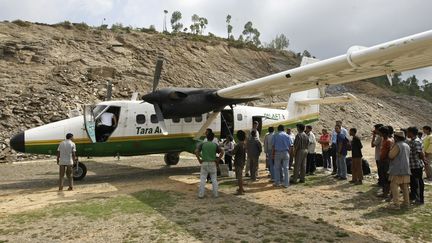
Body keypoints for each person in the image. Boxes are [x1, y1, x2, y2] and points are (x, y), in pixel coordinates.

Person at [195, 132, 224, 199]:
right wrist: (218, 160)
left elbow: (196, 151)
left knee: (202, 179)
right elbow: (222, 152)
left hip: (204, 162)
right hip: (212, 163)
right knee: (214, 179)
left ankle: (201, 195)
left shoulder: (202, 144)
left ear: (207, 137)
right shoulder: (215, 145)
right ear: (213, 138)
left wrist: (199, 159)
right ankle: (215, 194)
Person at [388, 130, 411, 208]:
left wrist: (391, 148)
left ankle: (396, 204)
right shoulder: (406, 145)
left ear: (397, 138)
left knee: (394, 185)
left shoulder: (397, 145)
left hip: (397, 169)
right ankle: (406, 203)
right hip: (406, 168)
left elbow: (391, 155)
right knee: (404, 187)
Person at [406, 127, 425, 204]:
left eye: (408, 132)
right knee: (413, 183)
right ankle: (414, 197)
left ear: (411, 133)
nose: (407, 134)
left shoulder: (416, 142)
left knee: (418, 183)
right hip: (412, 165)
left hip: (416, 166)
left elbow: (420, 154)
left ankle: (420, 199)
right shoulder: (412, 141)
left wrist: (423, 160)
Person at [378, 126, 393, 198]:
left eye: (380, 132)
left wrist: (383, 159)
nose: (379, 133)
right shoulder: (383, 140)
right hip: (382, 161)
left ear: (384, 133)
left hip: (386, 162)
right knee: (383, 177)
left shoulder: (388, 141)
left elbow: (388, 153)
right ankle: (385, 191)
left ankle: (387, 193)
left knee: (386, 177)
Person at [233, 130, 247, 195]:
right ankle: (241, 188)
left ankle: (240, 190)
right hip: (242, 161)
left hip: (238, 162)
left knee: (239, 177)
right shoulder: (244, 143)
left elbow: (233, 152)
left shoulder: (238, 145)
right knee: (240, 176)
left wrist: (227, 151)